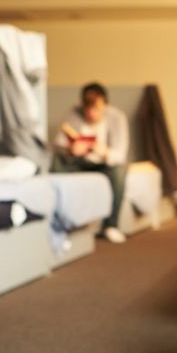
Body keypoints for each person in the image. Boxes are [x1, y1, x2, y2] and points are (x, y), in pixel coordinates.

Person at [53, 82, 130, 243]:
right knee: (55, 162)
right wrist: (71, 149)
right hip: (80, 162)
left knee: (119, 171)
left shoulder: (117, 118)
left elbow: (120, 154)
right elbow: (58, 143)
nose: (91, 113)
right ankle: (57, 220)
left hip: (104, 164)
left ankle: (111, 225)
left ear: (104, 105)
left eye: (96, 108)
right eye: (87, 108)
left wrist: (105, 151)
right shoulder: (74, 114)